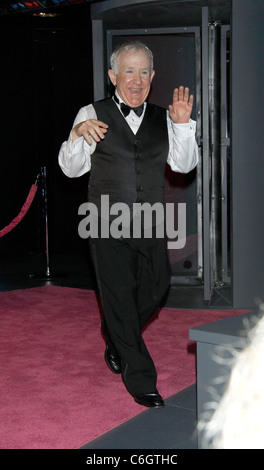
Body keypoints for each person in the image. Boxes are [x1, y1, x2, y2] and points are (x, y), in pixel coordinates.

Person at [58, 41, 198, 408]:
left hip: (150, 220)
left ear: (152, 77)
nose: (136, 81)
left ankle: (115, 333)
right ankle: (141, 379)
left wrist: (183, 127)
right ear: (112, 76)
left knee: (157, 286)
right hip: (104, 221)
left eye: (143, 72)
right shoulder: (91, 113)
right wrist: (75, 136)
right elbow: (70, 169)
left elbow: (183, 166)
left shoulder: (165, 117)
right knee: (119, 295)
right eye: (128, 72)